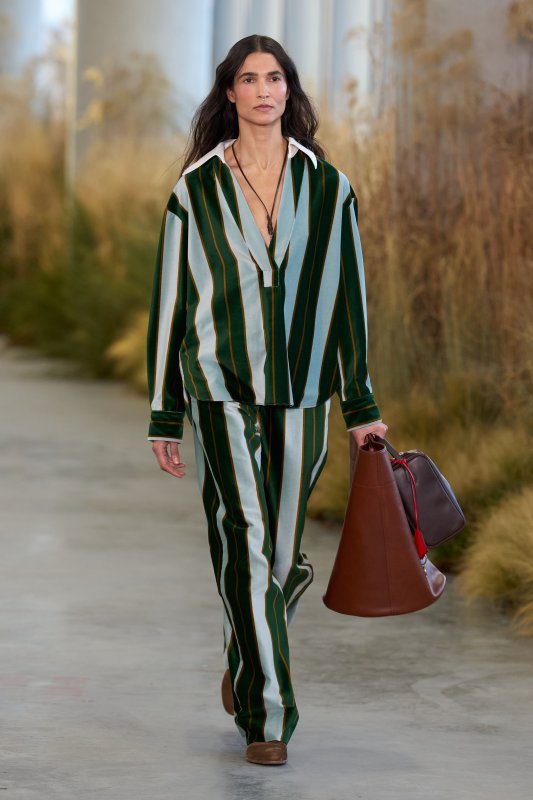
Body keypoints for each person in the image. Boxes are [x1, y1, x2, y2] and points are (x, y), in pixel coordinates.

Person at [146, 34, 388, 766]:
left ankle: (250, 646)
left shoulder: (330, 187)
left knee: (277, 556)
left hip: (306, 390)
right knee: (246, 535)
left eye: (274, 78)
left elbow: (348, 300)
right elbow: (172, 301)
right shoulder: (194, 190)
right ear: (229, 92)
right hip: (219, 386)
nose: (262, 91)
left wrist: (359, 406)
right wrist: (165, 412)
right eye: (248, 79)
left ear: (289, 91)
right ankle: (268, 718)